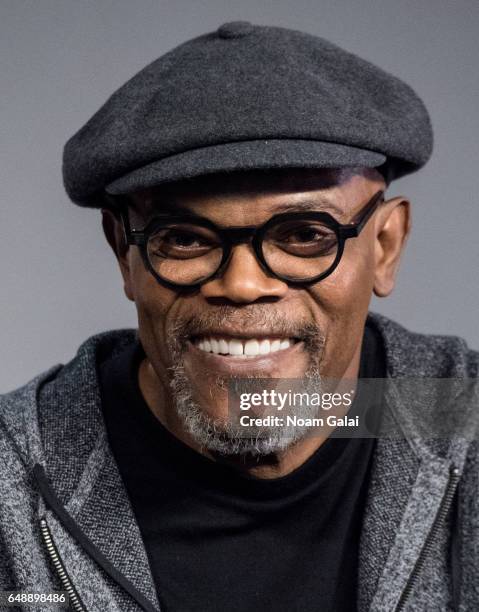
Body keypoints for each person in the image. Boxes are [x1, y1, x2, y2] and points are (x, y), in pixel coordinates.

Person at [0, 21, 478, 612]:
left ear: (384, 246)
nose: (243, 285)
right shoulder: (13, 482)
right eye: (184, 238)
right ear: (122, 250)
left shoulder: (460, 417)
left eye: (306, 235)